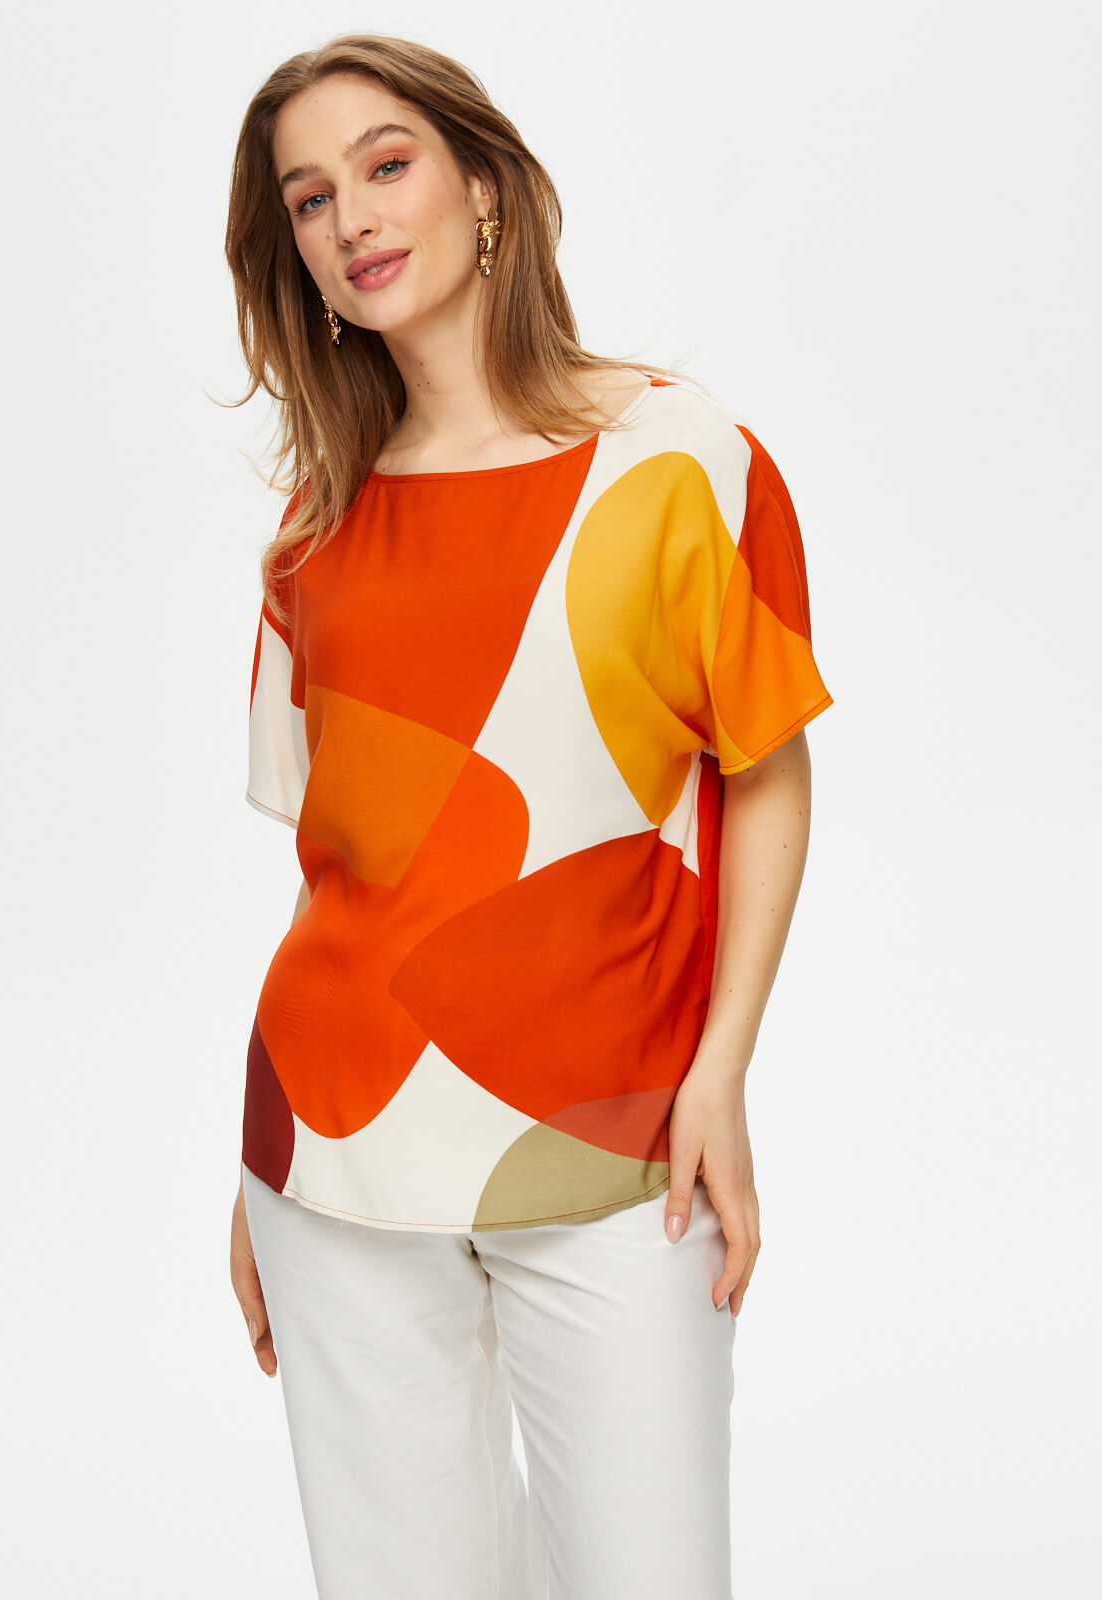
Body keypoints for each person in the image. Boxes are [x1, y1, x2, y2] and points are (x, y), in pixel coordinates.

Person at [224, 32, 834, 1600]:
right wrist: (264, 1168)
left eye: (386, 164)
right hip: (332, 1159)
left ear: (485, 186)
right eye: (308, 198)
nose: (351, 218)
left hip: (625, 1144)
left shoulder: (682, 456)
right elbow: (338, 871)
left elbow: (766, 767)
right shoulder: (316, 525)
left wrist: (723, 1073)